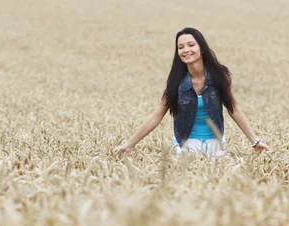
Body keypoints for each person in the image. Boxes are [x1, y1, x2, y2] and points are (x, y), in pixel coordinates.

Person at [115, 27, 269, 157]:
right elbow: (156, 115)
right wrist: (129, 145)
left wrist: (255, 141)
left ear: (201, 48)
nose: (186, 50)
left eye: (191, 45)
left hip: (215, 146)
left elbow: (233, 109)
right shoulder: (176, 82)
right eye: (180, 47)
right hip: (185, 145)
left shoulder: (218, 76)